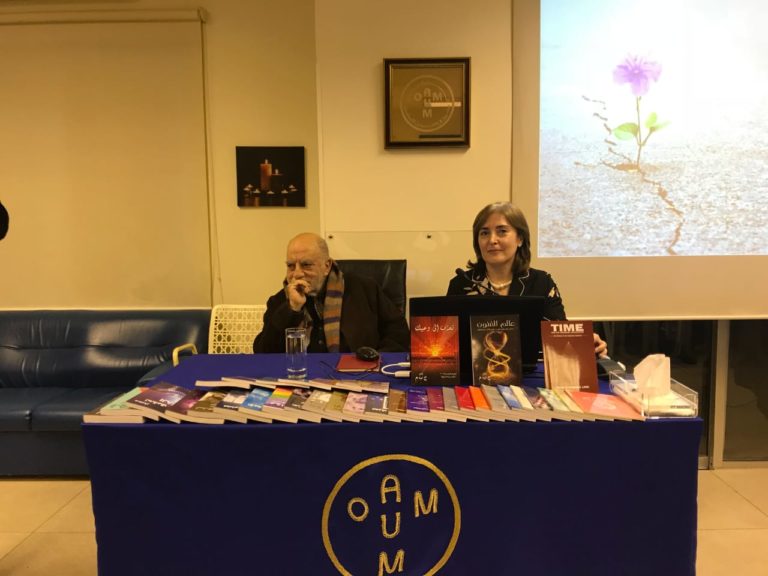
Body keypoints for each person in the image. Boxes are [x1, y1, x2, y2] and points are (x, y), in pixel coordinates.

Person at [447, 202, 608, 357]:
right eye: (484, 233)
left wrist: (586, 342)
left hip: (532, 372)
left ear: (520, 239)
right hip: (474, 373)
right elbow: (448, 341)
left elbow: (559, 334)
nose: (492, 240)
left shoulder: (542, 282)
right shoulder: (461, 284)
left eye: (502, 231)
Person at [253, 232, 410, 353]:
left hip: (356, 375)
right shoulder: (280, 300)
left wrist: (374, 360)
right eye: (291, 266)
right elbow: (263, 352)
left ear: (327, 266)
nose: (297, 274)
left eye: (306, 265)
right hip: (301, 375)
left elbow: (399, 334)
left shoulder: (365, 289)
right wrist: (292, 309)